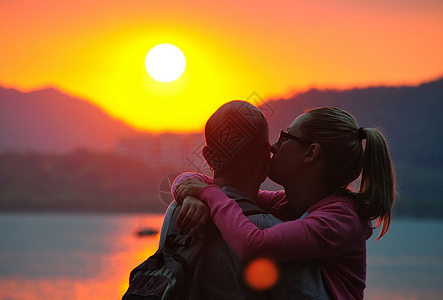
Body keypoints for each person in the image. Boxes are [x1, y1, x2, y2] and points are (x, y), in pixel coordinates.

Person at [173, 107, 395, 299]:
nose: (272, 148)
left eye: (284, 137)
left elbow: (253, 246)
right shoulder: (289, 204)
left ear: (311, 153)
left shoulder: (341, 219)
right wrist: (195, 195)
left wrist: (208, 195)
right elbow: (219, 190)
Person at [163, 101, 329, 299]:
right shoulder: (275, 237)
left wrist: (193, 193)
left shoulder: (176, 211)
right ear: (267, 158)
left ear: (208, 157)